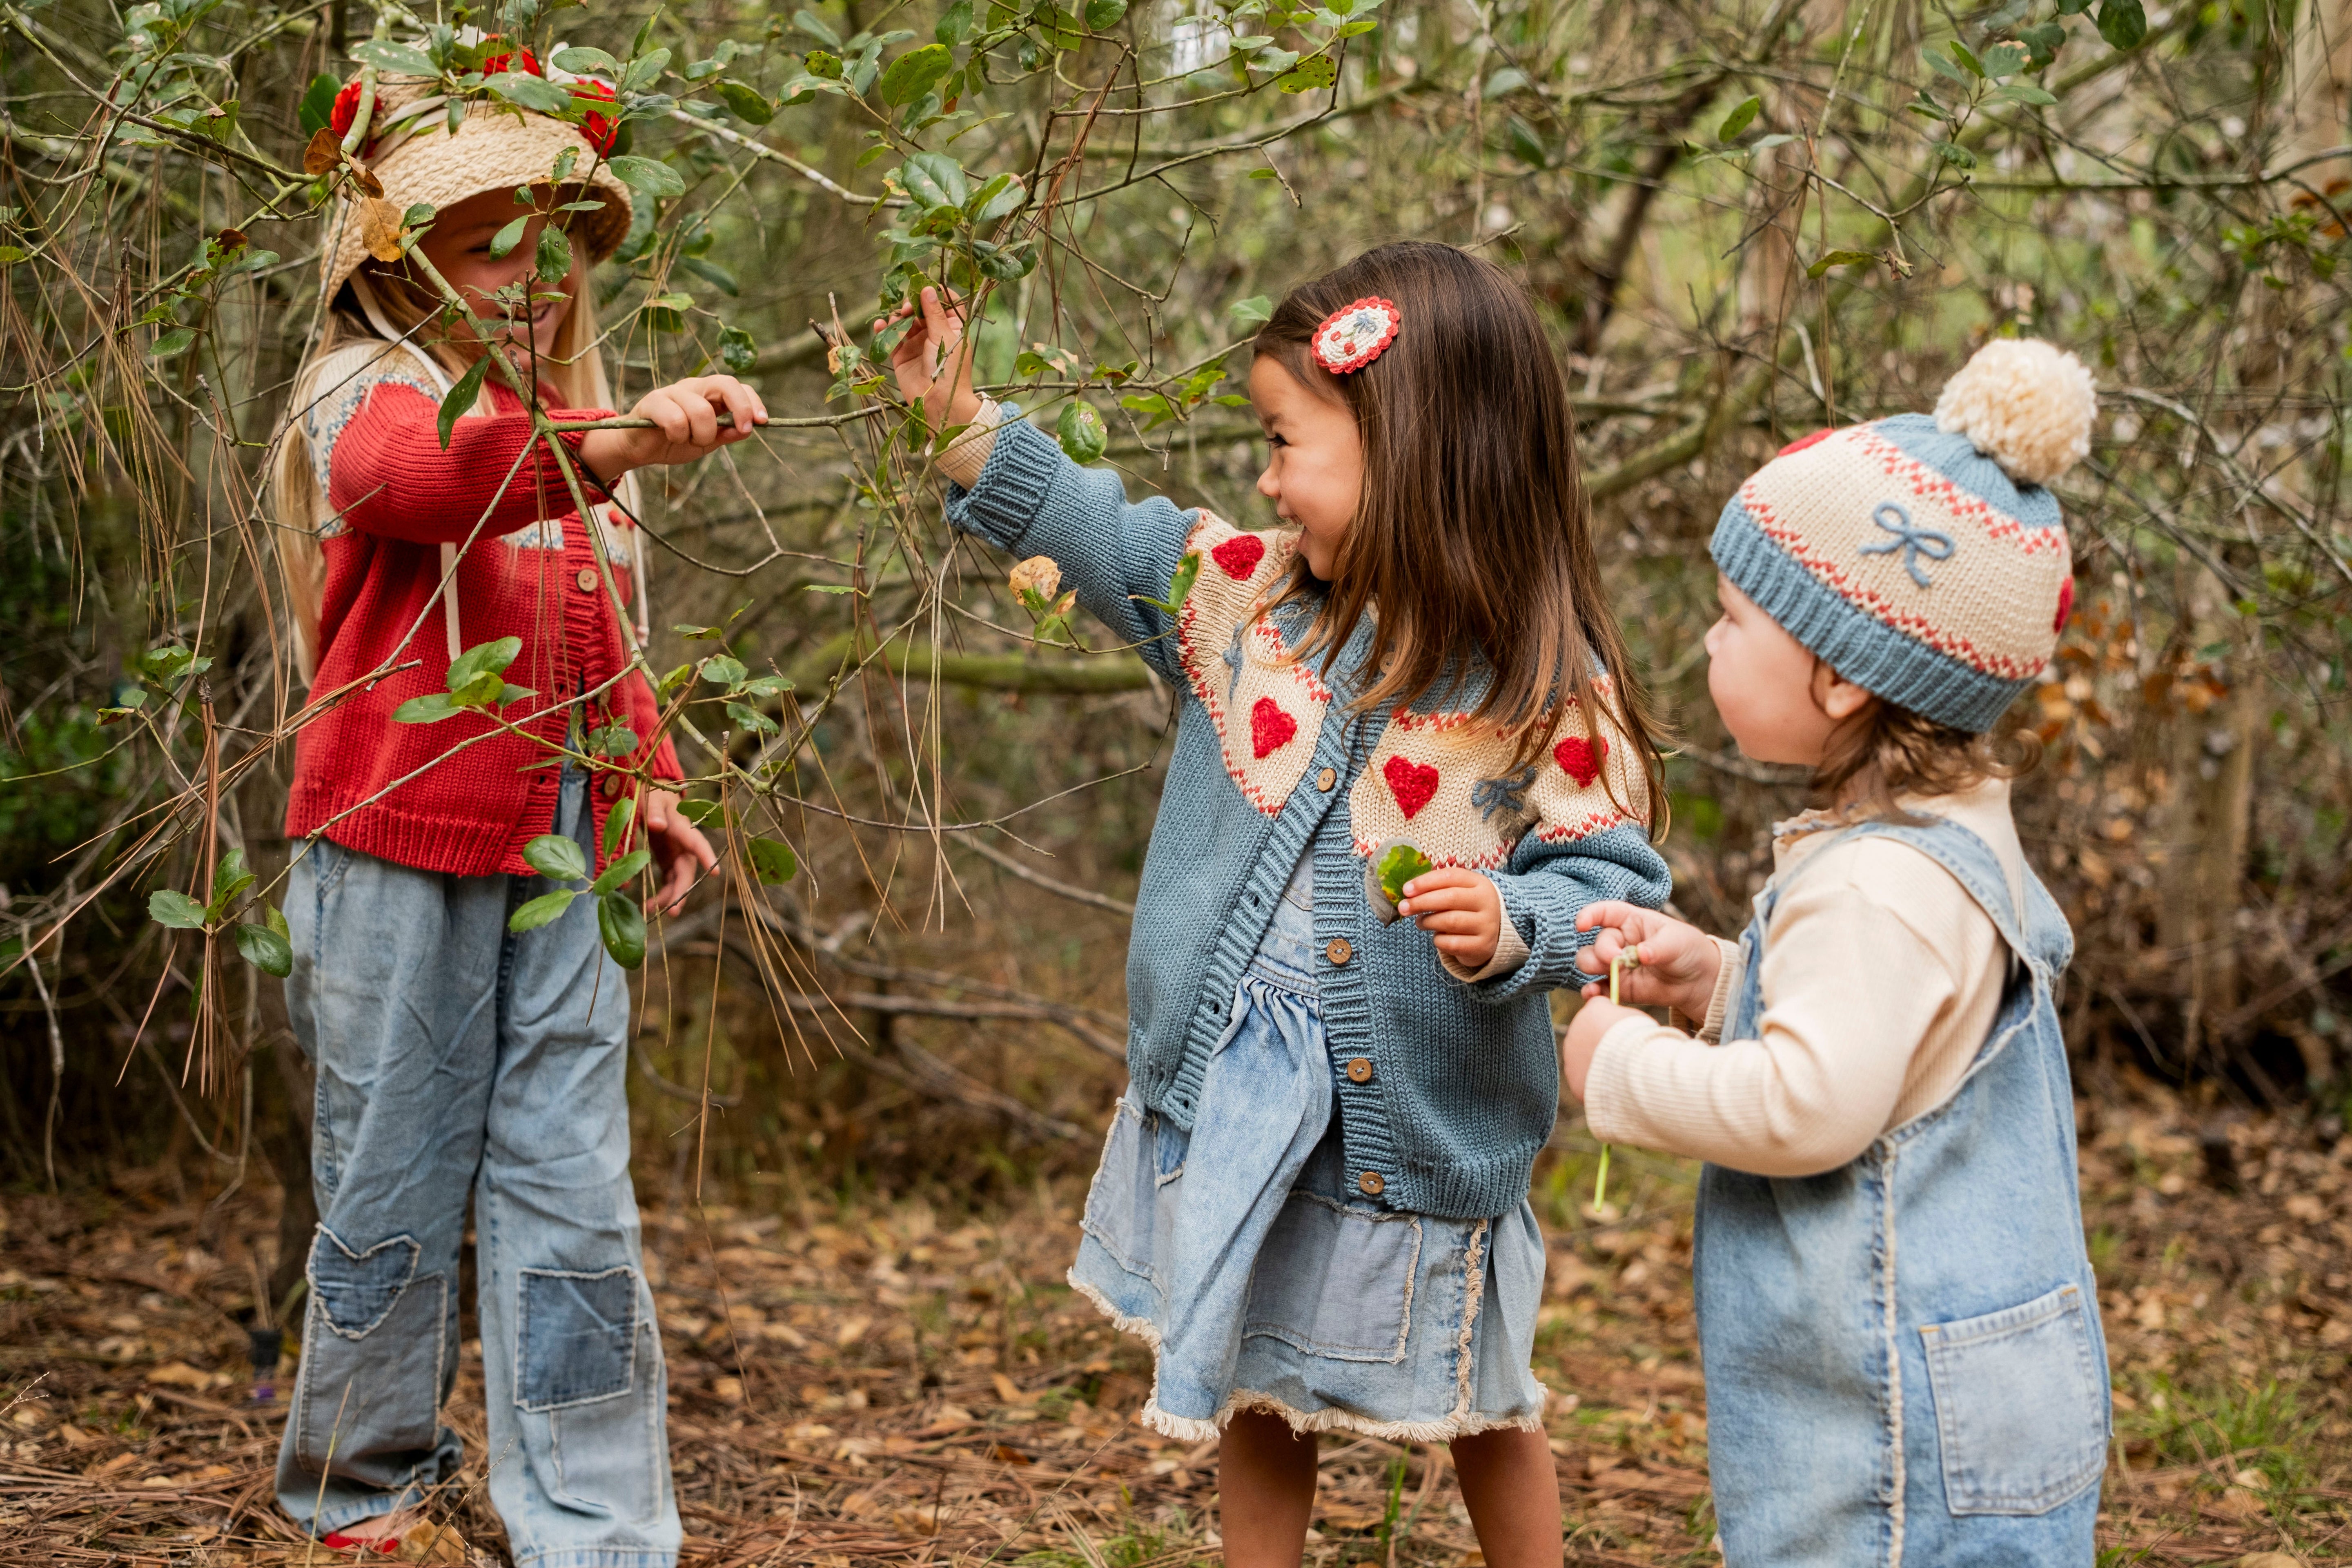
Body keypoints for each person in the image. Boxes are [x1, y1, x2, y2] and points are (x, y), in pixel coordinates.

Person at [884, 242, 1673, 1566]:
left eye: (1284, 441)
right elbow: (1101, 531)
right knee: (1249, 1361)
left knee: (1480, 1384)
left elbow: (1611, 892)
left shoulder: (1546, 686)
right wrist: (963, 423)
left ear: (1415, 452)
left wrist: (1517, 931)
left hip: (1413, 1115)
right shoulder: (1250, 599)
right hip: (1246, 1090)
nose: (1261, 475)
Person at [268, 50, 765, 1564]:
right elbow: (429, 488)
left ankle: (598, 1522)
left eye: (554, 248)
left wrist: (650, 787)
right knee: (392, 1161)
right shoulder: (365, 387)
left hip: (566, 850)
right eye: (491, 244)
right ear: (401, 261)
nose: (533, 278)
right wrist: (605, 445)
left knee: (571, 1181)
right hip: (393, 833)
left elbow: (601, 634)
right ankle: (362, 1492)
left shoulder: (576, 428)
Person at [1561, 339, 2111, 1564]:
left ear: (1847, 677)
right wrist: (1717, 980)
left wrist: (1616, 1067)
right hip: (1972, 1389)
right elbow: (1882, 1044)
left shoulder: (1874, 885)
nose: (1709, 645)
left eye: (1736, 618)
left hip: (1895, 1436)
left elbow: (1811, 1106)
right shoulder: (1928, 852)